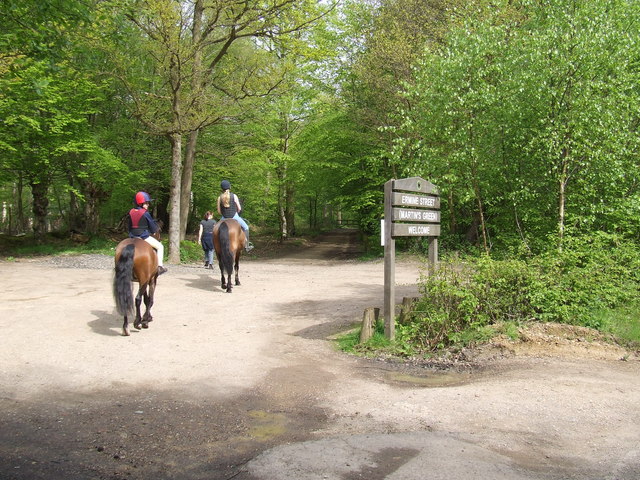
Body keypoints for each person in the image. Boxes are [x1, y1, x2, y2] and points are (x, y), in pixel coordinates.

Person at [128, 191, 167, 275]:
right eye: (146, 203)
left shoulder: (131, 212)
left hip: (132, 237)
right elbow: (153, 228)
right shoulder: (145, 213)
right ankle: (160, 267)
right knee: (160, 247)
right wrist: (152, 231)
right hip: (143, 237)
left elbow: (129, 226)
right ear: (141, 203)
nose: (148, 205)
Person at [216, 180, 254, 252]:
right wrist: (237, 212)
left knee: (216, 229)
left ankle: (215, 245)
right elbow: (239, 208)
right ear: (229, 187)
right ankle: (247, 246)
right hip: (234, 216)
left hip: (224, 218)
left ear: (222, 188)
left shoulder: (219, 198)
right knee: (246, 227)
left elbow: (219, 211)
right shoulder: (234, 196)